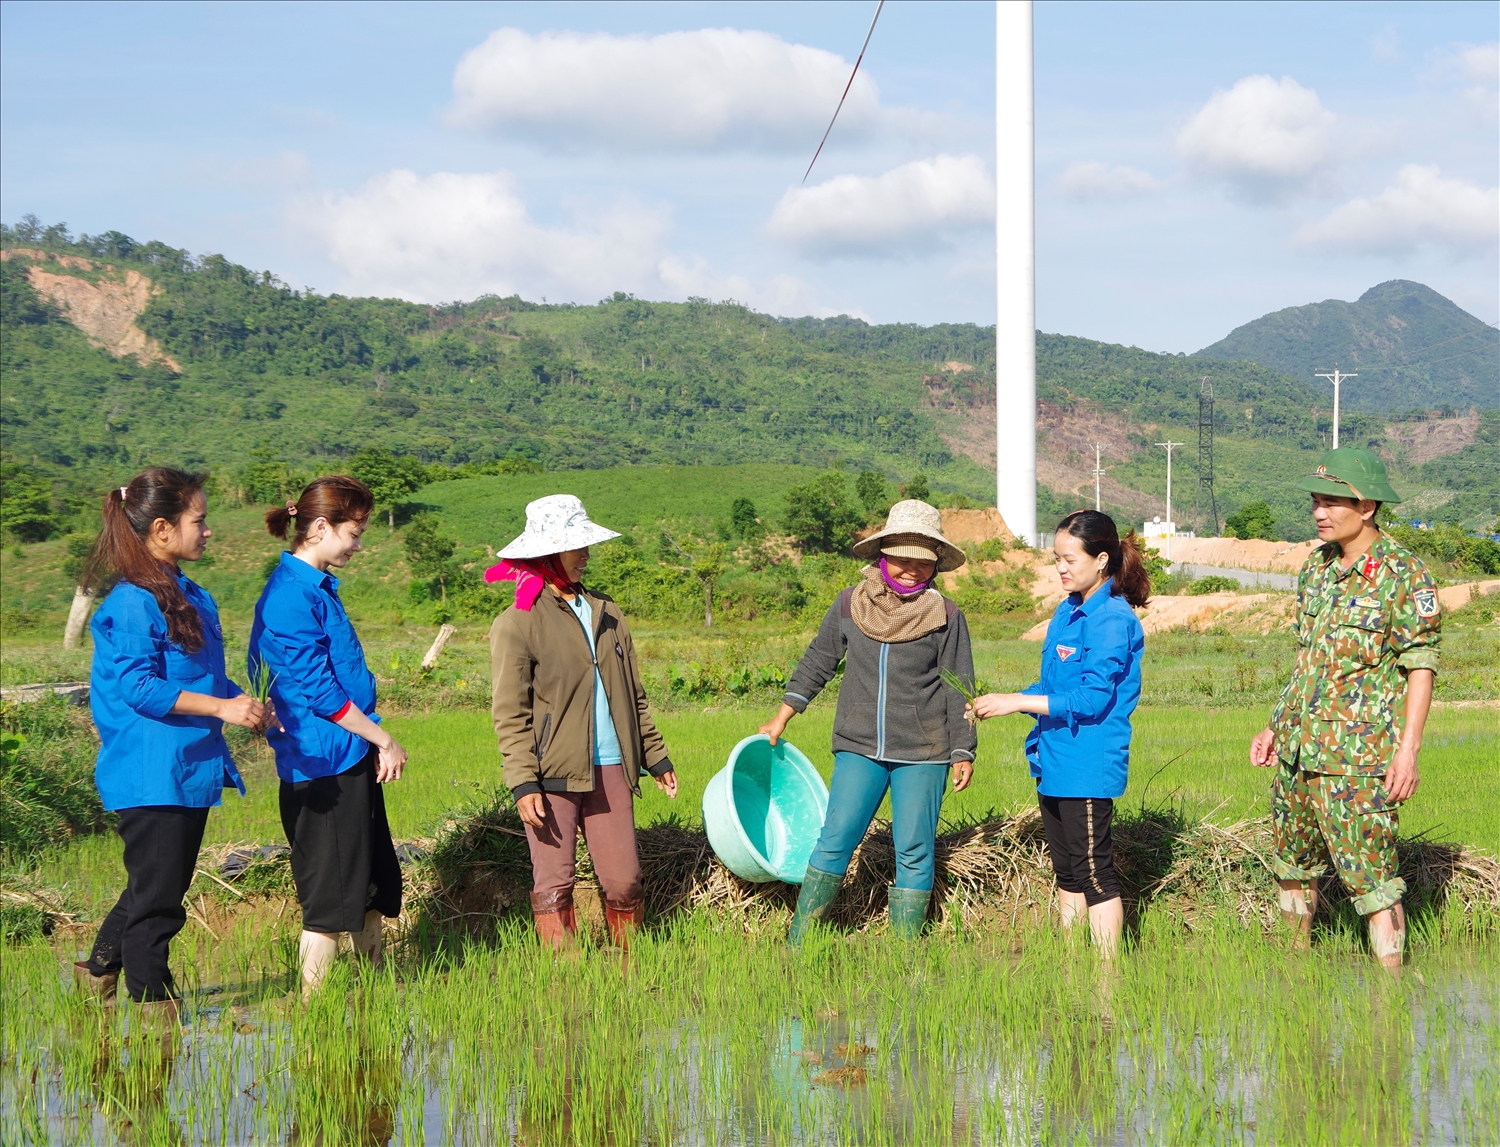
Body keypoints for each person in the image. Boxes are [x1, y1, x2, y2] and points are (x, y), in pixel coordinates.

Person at [77, 468, 272, 1021]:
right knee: (160, 903)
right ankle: (155, 1013)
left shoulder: (188, 592)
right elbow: (139, 687)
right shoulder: (134, 602)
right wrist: (222, 709)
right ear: (161, 528)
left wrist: (245, 702)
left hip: (185, 767)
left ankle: (96, 976)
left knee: (153, 888)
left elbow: (201, 675)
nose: (208, 530)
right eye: (199, 520)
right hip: (150, 770)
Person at [1248, 448, 1439, 972]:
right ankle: (1295, 969)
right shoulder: (1316, 567)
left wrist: (1408, 753)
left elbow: (1420, 666)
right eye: (1316, 501)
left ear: (1368, 505)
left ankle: (1392, 994)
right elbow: (1308, 660)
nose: (1319, 513)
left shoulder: (1403, 573)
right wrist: (1274, 724)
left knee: (1374, 881)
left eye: (1332, 502)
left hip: (1356, 760)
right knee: (1293, 866)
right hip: (1296, 750)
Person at [761, 499, 977, 944]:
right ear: (883, 556)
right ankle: (800, 942)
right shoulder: (850, 604)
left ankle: (904, 951)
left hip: (924, 751)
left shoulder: (946, 616)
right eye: (901, 559)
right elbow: (819, 660)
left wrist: (963, 751)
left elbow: (959, 686)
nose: (911, 570)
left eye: (923, 563)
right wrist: (782, 716)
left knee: (914, 848)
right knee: (836, 838)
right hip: (859, 746)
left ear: (935, 566)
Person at [489, 494, 677, 951]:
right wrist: (522, 782)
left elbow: (633, 694)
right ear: (548, 551)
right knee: (554, 882)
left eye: (585, 544)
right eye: (576, 546)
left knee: (624, 881)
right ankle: (566, 980)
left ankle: (630, 970)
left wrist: (655, 755)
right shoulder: (518, 622)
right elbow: (510, 712)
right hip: (551, 773)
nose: (586, 554)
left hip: (611, 765)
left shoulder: (607, 612)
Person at [250, 476, 407, 999]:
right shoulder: (289, 599)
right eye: (354, 532)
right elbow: (321, 693)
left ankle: (375, 989)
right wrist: (383, 739)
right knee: (326, 900)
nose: (359, 544)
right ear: (320, 528)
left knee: (367, 881)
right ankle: (315, 1007)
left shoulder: (317, 588)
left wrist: (370, 741)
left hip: (347, 755)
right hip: (322, 769)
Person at [969, 510, 1149, 959]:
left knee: (1093, 871)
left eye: (1070, 559)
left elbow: (1089, 700)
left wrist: (1015, 702)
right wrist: (1003, 698)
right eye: (1056, 559)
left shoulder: (1111, 619)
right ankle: (1069, 962)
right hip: (1053, 758)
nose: (1061, 568)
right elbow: (1051, 688)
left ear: (1101, 560)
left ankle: (1107, 976)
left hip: (1087, 763)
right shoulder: (1067, 612)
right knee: (1067, 870)